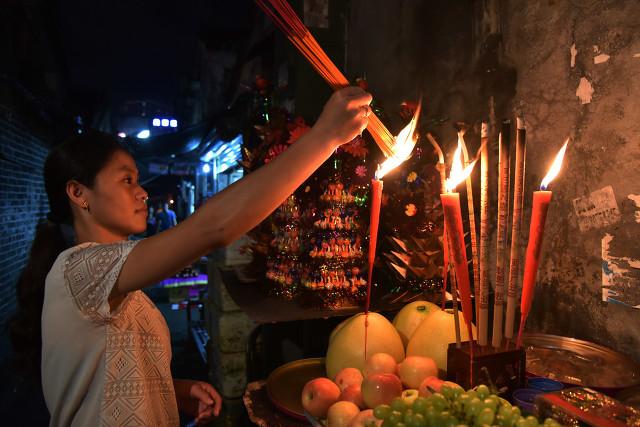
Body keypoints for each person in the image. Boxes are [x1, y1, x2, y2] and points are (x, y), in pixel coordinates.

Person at [9, 86, 372, 426]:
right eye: (127, 181)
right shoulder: (77, 268)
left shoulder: (117, 276)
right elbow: (213, 229)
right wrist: (324, 138)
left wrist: (173, 390)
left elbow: (107, 375)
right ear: (78, 192)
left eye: (138, 180)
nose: (143, 194)